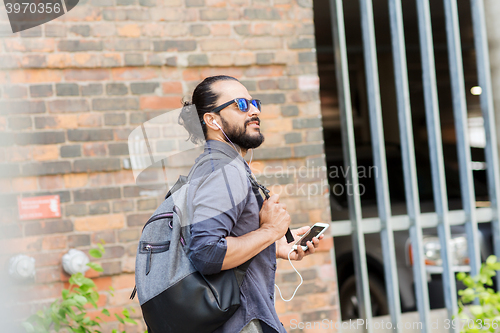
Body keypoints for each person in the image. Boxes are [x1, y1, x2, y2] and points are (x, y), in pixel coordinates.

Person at [178, 75, 324, 333]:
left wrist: (274, 244)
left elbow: (223, 238)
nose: (255, 111)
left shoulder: (222, 166)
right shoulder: (222, 170)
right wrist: (269, 231)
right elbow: (206, 252)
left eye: (254, 103)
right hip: (241, 323)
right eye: (241, 105)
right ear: (212, 120)